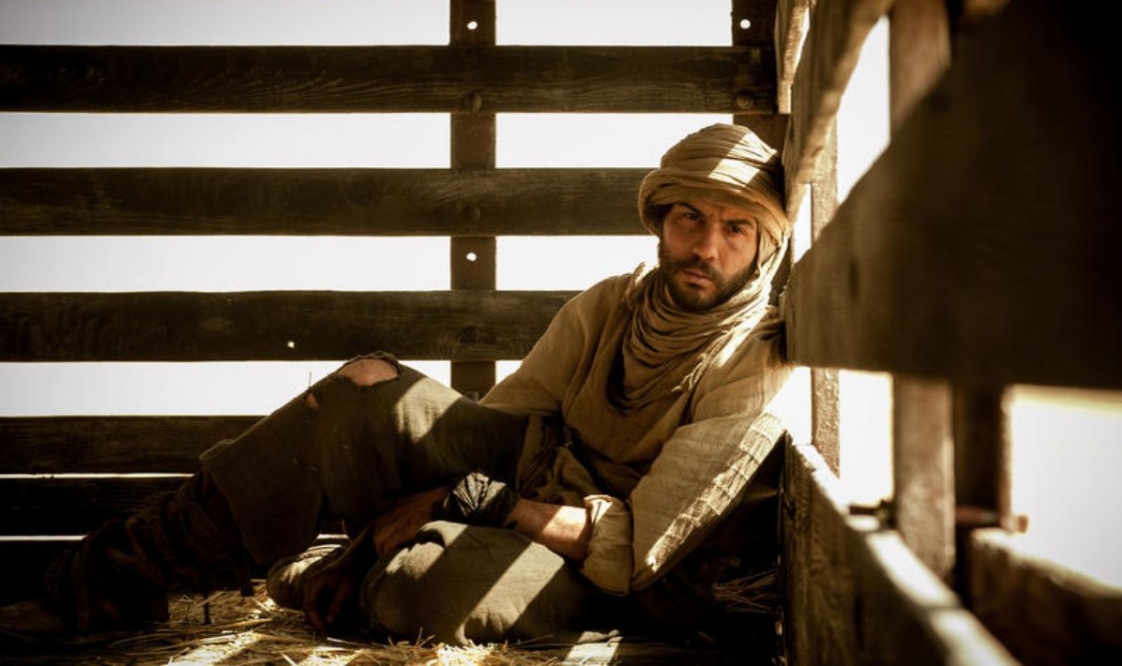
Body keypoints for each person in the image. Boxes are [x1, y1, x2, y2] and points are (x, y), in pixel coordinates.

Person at [0, 123, 797, 647]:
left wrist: (476, 502)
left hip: (611, 575)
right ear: (660, 221)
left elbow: (642, 550)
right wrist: (419, 496)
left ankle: (345, 577)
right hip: (532, 486)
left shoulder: (753, 364)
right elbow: (492, 428)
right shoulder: (612, 303)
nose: (706, 246)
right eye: (690, 218)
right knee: (368, 387)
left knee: (422, 584)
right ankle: (111, 584)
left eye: (735, 228)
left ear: (764, 246)